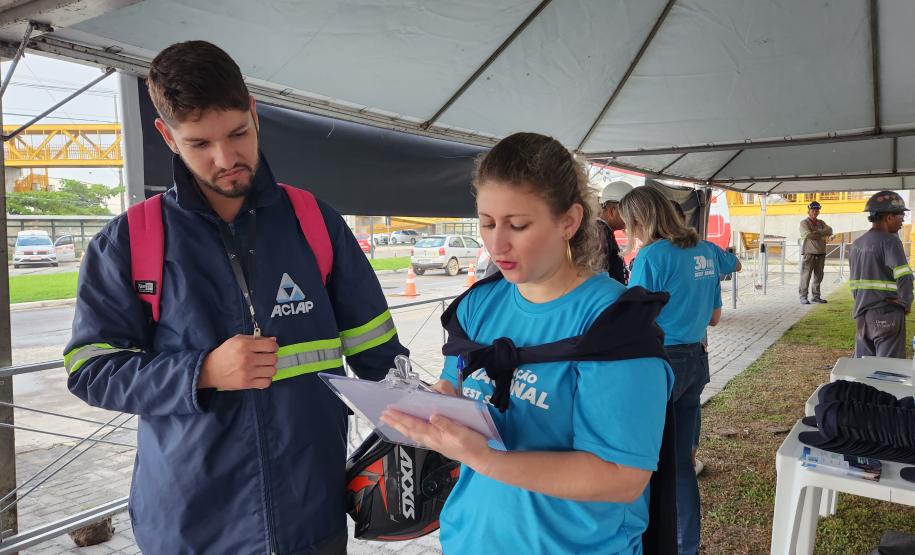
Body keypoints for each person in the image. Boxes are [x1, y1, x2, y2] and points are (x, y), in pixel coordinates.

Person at [63, 41, 407, 554]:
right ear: (167, 136)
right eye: (200, 144)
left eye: (238, 134)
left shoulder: (314, 222)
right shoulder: (129, 240)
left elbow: (381, 356)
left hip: (312, 517)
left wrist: (428, 423)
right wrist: (200, 372)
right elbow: (89, 369)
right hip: (191, 526)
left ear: (255, 114)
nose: (226, 159)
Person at [381, 132, 673, 554]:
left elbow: (621, 476)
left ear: (569, 221)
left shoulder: (614, 323)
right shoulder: (479, 304)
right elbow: (454, 386)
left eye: (518, 225)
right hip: (470, 537)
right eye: (486, 223)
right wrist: (431, 407)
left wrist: (486, 459)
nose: (497, 244)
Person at [620, 186, 739, 555]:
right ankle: (687, 544)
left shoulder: (652, 256)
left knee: (641, 457)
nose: (629, 230)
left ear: (641, 219)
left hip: (660, 365)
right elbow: (715, 317)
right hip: (697, 361)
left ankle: (646, 541)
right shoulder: (703, 249)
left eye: (629, 223)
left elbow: (633, 321)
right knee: (681, 461)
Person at [849, 191, 914, 359]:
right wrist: (906, 302)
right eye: (901, 215)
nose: (903, 220)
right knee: (888, 370)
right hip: (887, 313)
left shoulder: (856, 244)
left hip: (862, 315)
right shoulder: (890, 241)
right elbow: (904, 275)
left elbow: (855, 283)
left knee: (865, 368)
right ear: (889, 217)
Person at [598, 180, 634, 284]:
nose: (632, 218)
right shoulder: (600, 234)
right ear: (612, 211)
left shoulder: (603, 232)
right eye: (629, 212)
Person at [799, 201, 833, 304]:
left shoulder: (821, 222)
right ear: (808, 211)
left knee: (819, 277)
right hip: (809, 253)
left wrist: (817, 232)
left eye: (817, 210)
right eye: (813, 210)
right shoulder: (804, 223)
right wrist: (823, 235)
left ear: (819, 211)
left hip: (821, 253)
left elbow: (830, 230)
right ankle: (803, 297)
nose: (815, 212)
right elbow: (808, 235)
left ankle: (816, 296)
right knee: (806, 276)